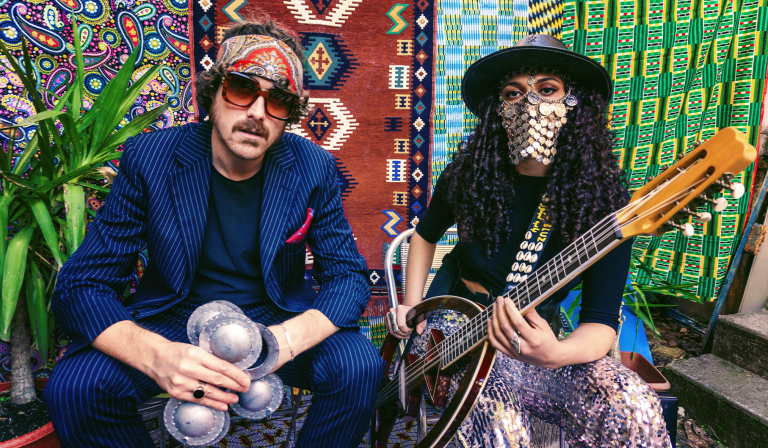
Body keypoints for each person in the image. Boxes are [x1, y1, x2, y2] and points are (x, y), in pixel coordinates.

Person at [44, 19, 384, 448]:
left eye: (278, 100)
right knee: (75, 388)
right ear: (214, 92)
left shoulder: (313, 166)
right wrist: (157, 355)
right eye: (242, 89)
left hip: (276, 317)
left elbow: (348, 276)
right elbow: (81, 285)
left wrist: (286, 339)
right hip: (174, 317)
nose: (256, 113)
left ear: (290, 116)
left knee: (359, 366)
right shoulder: (152, 157)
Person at [386, 34, 672, 447]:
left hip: (539, 338)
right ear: (497, 109)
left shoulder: (606, 203)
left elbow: (600, 323)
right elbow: (424, 236)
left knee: (633, 405)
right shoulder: (468, 173)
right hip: (455, 328)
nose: (529, 103)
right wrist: (413, 307)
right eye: (513, 93)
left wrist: (556, 354)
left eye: (547, 90)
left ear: (575, 104)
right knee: (499, 418)